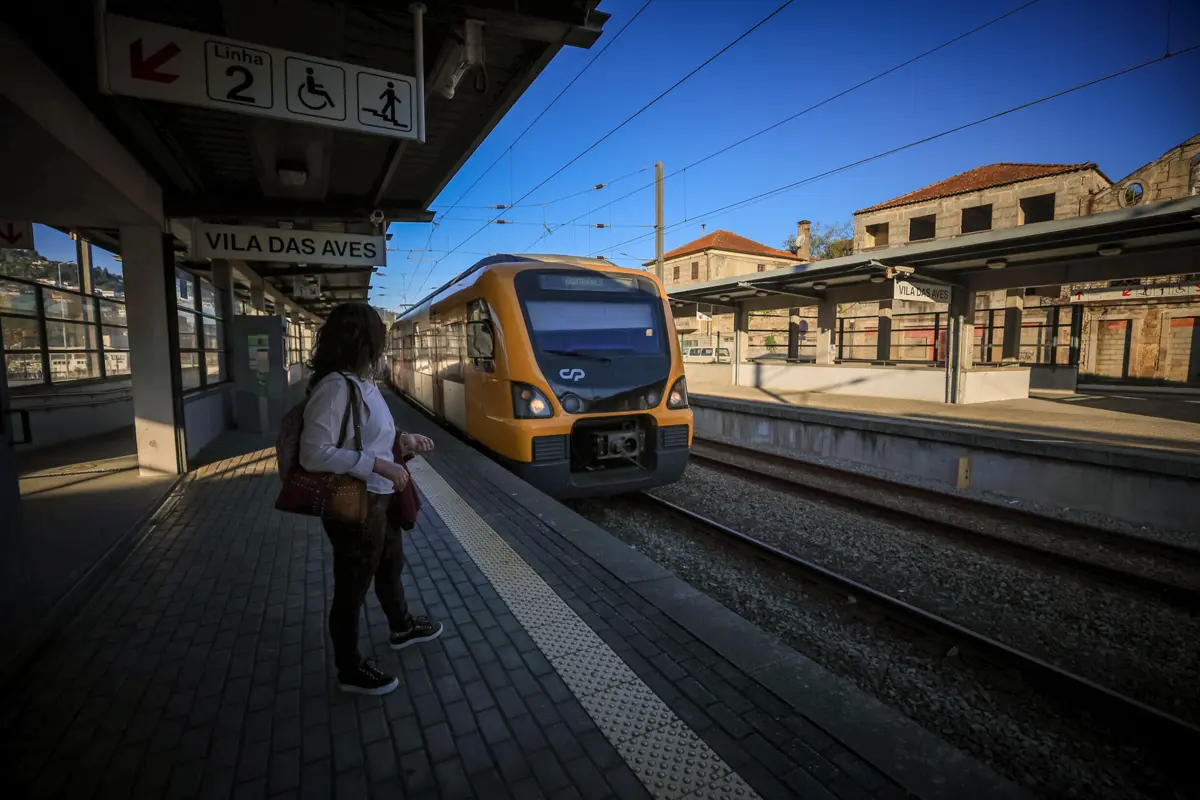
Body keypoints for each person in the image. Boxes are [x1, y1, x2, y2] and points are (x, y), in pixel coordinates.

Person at [299, 302, 442, 696]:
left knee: (390, 565)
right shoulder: (334, 388)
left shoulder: (360, 382)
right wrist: (377, 466)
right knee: (352, 587)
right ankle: (350, 668)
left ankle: (401, 626)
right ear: (366, 341)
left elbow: (368, 434)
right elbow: (312, 453)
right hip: (355, 505)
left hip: (380, 503)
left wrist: (403, 442)